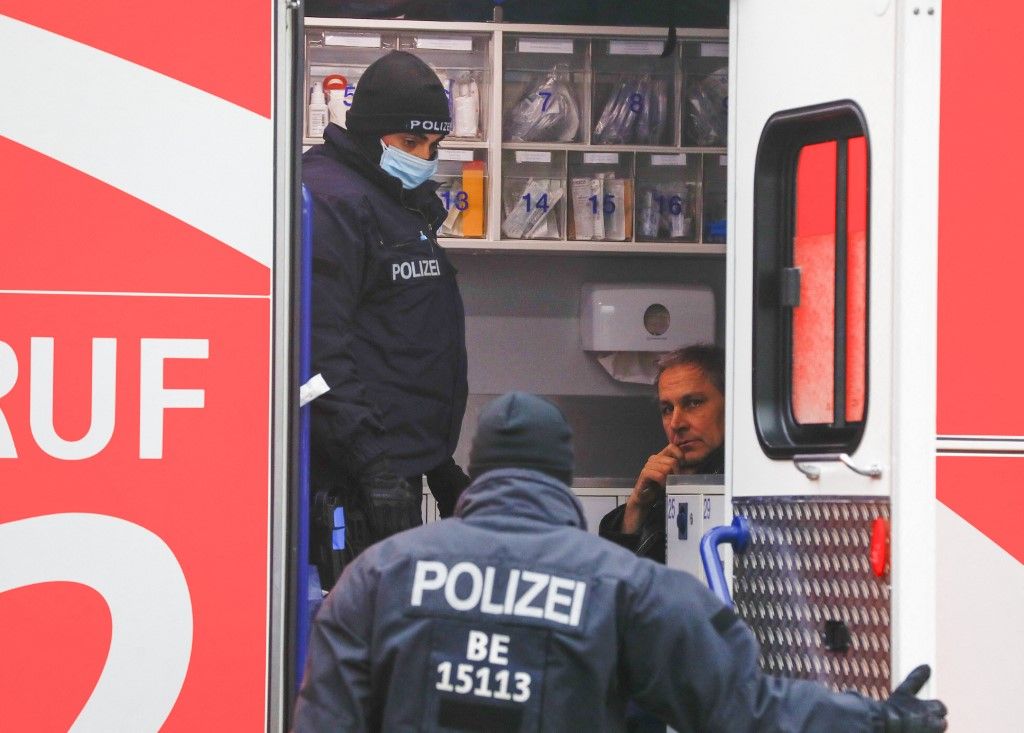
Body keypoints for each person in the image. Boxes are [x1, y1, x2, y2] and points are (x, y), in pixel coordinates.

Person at [293, 391, 947, 733]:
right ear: (561, 471)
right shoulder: (624, 585)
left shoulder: (379, 575)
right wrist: (876, 719)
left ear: (480, 470)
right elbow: (743, 710)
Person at [302, 50, 470, 585]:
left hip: (399, 473)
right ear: (371, 133)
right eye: (410, 142)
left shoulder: (395, 198)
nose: (425, 157)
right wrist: (372, 464)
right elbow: (316, 349)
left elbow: (401, 338)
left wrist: (438, 463)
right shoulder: (331, 199)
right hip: (349, 479)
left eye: (433, 145)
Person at [600, 344, 725, 562]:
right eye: (667, 409)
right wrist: (637, 505)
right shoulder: (660, 496)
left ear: (731, 404)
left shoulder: (746, 487)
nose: (676, 423)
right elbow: (613, 582)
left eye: (694, 403)